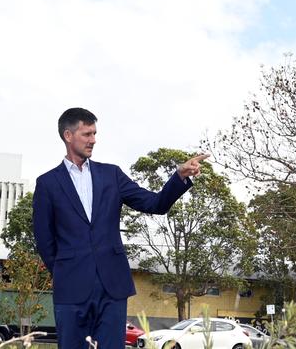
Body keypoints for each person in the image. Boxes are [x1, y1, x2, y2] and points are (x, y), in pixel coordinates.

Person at [33, 107, 207, 348]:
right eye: (86, 134)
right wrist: (65, 269)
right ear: (68, 135)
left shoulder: (112, 175)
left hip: (112, 287)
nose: (93, 140)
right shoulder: (47, 183)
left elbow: (155, 203)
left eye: (95, 133)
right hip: (70, 288)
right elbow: (44, 239)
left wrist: (178, 176)